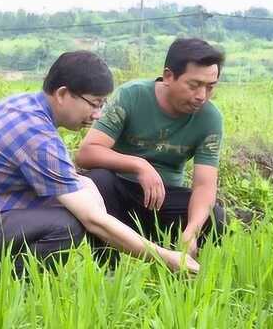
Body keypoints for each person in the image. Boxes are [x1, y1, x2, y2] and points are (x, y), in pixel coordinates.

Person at [0, 50, 199, 276]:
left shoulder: (24, 105)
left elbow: (77, 181)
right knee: (66, 224)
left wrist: (89, 190)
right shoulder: (35, 135)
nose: (97, 114)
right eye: (94, 103)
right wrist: (165, 258)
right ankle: (3, 291)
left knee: (81, 195)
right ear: (63, 94)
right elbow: (94, 221)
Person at [76, 38, 227, 259]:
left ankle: (186, 275)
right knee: (97, 181)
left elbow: (205, 185)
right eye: (193, 85)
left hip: (163, 200)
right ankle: (108, 268)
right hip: (119, 195)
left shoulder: (210, 118)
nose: (201, 96)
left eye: (210, 87)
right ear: (168, 76)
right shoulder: (132, 96)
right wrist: (139, 165)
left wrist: (192, 230)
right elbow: (87, 153)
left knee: (214, 216)